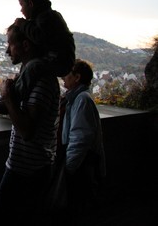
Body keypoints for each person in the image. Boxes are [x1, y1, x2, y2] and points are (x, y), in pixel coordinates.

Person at [0, 23, 60, 226]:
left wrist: (8, 97)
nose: (7, 50)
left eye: (10, 44)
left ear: (26, 45)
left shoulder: (42, 80)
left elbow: (28, 131)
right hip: (29, 167)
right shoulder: (32, 78)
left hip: (29, 172)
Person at [0, 0, 74, 115]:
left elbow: (40, 37)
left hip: (60, 60)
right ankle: (11, 95)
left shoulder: (47, 18)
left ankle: (13, 98)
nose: (21, 10)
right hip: (57, 58)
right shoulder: (48, 18)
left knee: (32, 66)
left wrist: (23, 24)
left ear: (30, 4)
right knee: (27, 68)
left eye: (21, 5)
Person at [57, 59, 106, 225]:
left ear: (77, 77)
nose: (63, 76)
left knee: (74, 205)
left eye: (67, 73)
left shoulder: (81, 99)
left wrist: (69, 167)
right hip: (81, 162)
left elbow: (80, 137)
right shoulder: (77, 98)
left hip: (79, 164)